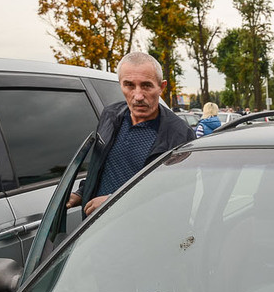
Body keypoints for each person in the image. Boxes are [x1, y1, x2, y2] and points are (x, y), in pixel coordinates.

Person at [67, 52, 195, 216]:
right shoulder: (110, 115)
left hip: (140, 231)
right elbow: (100, 168)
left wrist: (115, 200)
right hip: (95, 229)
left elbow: (178, 195)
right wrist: (81, 193)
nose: (138, 96)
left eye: (146, 85)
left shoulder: (179, 134)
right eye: (129, 85)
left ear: (161, 87)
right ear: (120, 84)